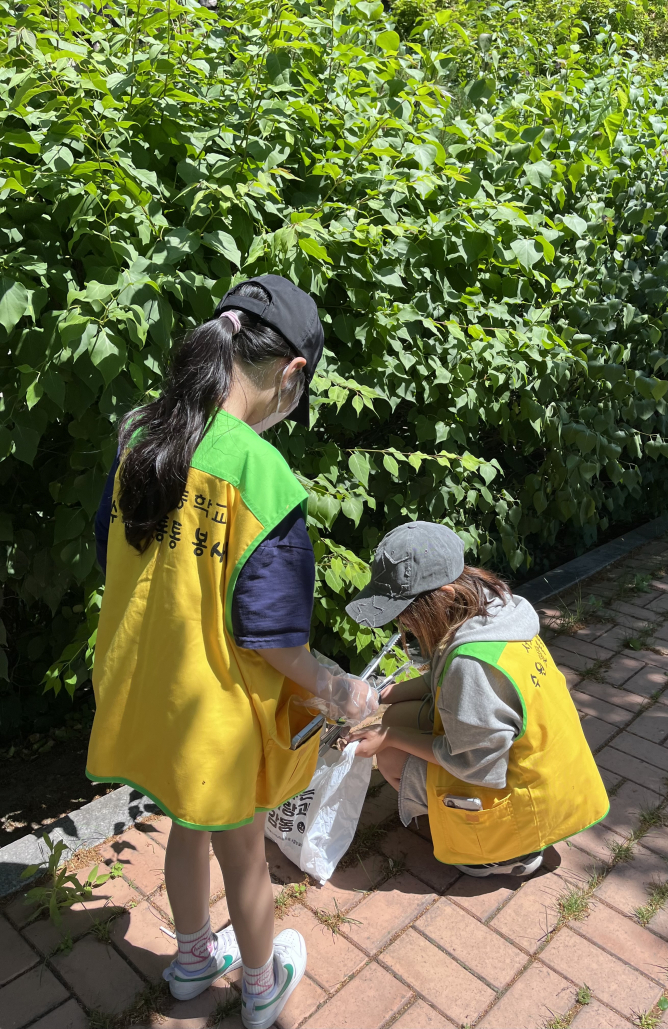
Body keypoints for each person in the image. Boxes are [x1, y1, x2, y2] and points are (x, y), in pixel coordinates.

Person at [89, 275, 378, 1028]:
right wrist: (342, 687)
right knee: (241, 849)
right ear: (292, 374)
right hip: (220, 710)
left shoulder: (139, 435)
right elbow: (277, 639)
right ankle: (258, 984)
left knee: (188, 821)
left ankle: (191, 961)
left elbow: (110, 554)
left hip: (150, 690)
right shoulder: (261, 471)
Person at [344, 521, 609, 877]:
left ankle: (500, 853)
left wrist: (387, 739)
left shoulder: (471, 665)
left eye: (406, 611)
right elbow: (440, 680)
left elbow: (474, 763)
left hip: (520, 795)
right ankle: (482, 825)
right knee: (397, 716)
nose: (401, 622)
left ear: (448, 595)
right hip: (548, 775)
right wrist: (380, 696)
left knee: (391, 754)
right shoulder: (493, 609)